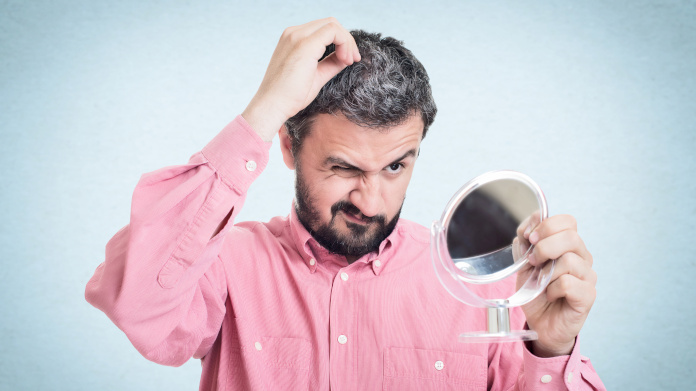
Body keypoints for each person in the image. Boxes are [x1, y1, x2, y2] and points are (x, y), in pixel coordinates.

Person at [85, 17, 606, 390]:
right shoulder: (226, 265)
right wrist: (263, 113)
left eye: (397, 166)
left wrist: (551, 351)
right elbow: (137, 302)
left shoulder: (483, 284)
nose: (372, 201)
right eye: (344, 168)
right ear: (288, 146)